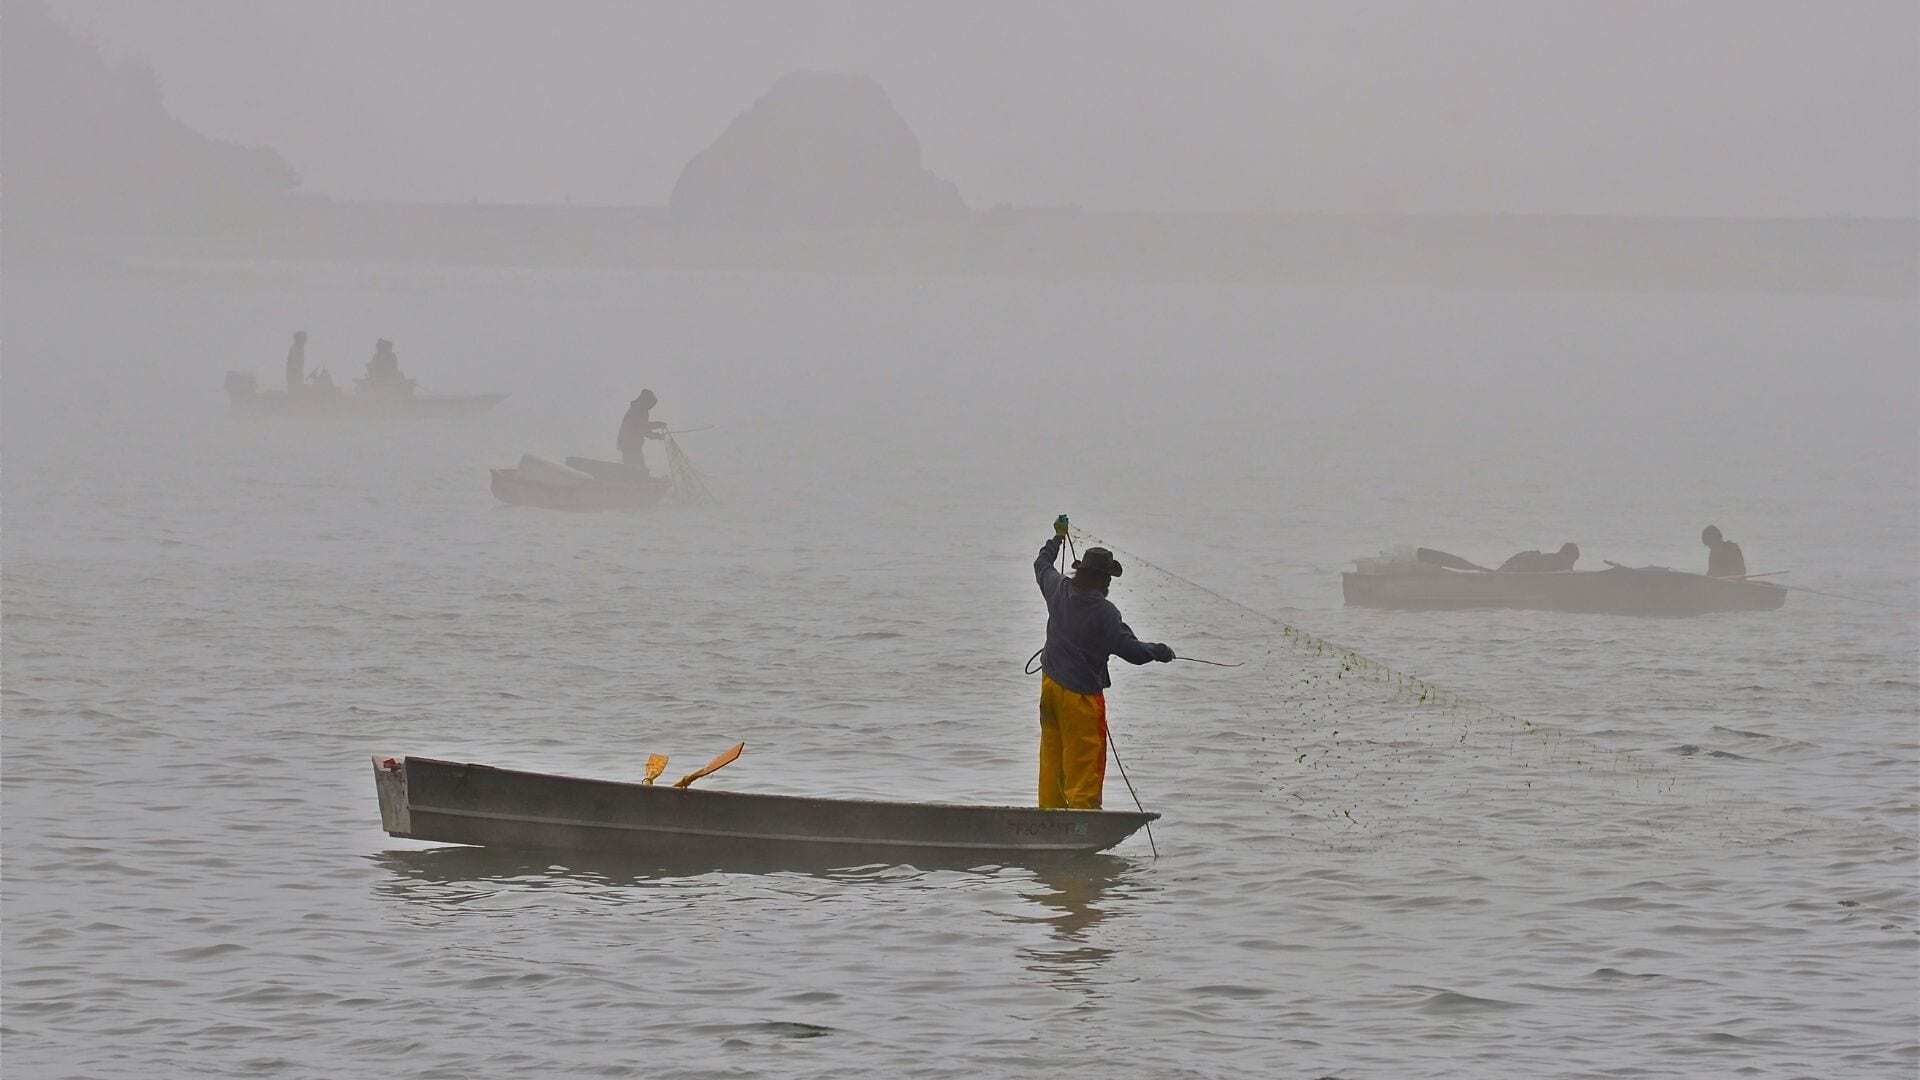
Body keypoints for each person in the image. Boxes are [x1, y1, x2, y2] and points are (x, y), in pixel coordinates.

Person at [1032, 515, 1175, 810]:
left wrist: (1057, 538)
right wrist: (1159, 651)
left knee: (1053, 759)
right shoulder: (1106, 613)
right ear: (1102, 580)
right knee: (1084, 764)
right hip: (1080, 699)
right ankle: (1084, 820)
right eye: (1108, 577)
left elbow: (1041, 565)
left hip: (1050, 690)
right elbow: (1131, 651)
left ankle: (1049, 813)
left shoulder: (1058, 589)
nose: (1109, 582)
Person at [617, 388, 668, 468]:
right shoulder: (639, 409)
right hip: (630, 444)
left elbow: (642, 428)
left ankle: (634, 478)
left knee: (635, 468)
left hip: (629, 443)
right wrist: (657, 430)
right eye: (650, 403)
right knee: (636, 469)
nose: (651, 407)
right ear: (646, 401)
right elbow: (642, 428)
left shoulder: (638, 408)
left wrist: (657, 431)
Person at [1497, 542, 1580, 572]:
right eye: (1572, 560)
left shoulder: (1560, 563)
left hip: (1522, 561)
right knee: (1499, 574)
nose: (1572, 564)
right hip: (1519, 562)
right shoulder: (1553, 562)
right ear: (1564, 555)